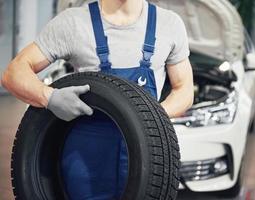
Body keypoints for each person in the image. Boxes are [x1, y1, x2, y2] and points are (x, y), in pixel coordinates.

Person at [2, 0, 194, 199]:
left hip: (148, 158)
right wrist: (49, 96)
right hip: (86, 161)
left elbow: (184, 91)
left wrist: (148, 119)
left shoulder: (169, 24)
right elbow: (13, 73)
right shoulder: (74, 22)